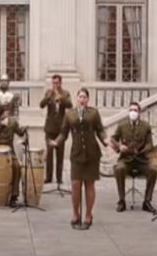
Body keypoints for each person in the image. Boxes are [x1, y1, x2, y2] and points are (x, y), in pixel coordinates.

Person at [49, 88, 108, 230]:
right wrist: (56, 142)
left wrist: (106, 140)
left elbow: (100, 130)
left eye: (84, 97)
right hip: (76, 154)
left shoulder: (93, 113)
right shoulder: (70, 114)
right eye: (80, 97)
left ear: (88, 99)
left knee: (89, 184)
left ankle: (88, 214)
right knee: (75, 184)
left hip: (92, 153)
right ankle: (75, 213)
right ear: (77, 98)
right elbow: (63, 133)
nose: (82, 99)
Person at [111, 102, 157, 213]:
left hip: (141, 160)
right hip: (126, 159)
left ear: (139, 112)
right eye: (131, 110)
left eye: (135, 110)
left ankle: (147, 201)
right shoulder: (122, 125)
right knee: (119, 169)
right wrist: (119, 146)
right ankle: (122, 201)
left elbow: (150, 144)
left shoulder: (146, 126)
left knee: (153, 170)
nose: (133, 112)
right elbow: (113, 139)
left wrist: (142, 150)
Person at [39, 74, 72, 184]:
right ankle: (48, 177)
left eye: (57, 83)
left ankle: (59, 178)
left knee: (60, 154)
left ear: (60, 83)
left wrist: (60, 98)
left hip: (61, 129)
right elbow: (41, 105)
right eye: (53, 83)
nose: (55, 85)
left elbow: (70, 105)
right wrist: (49, 96)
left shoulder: (65, 93)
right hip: (49, 128)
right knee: (49, 154)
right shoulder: (48, 93)